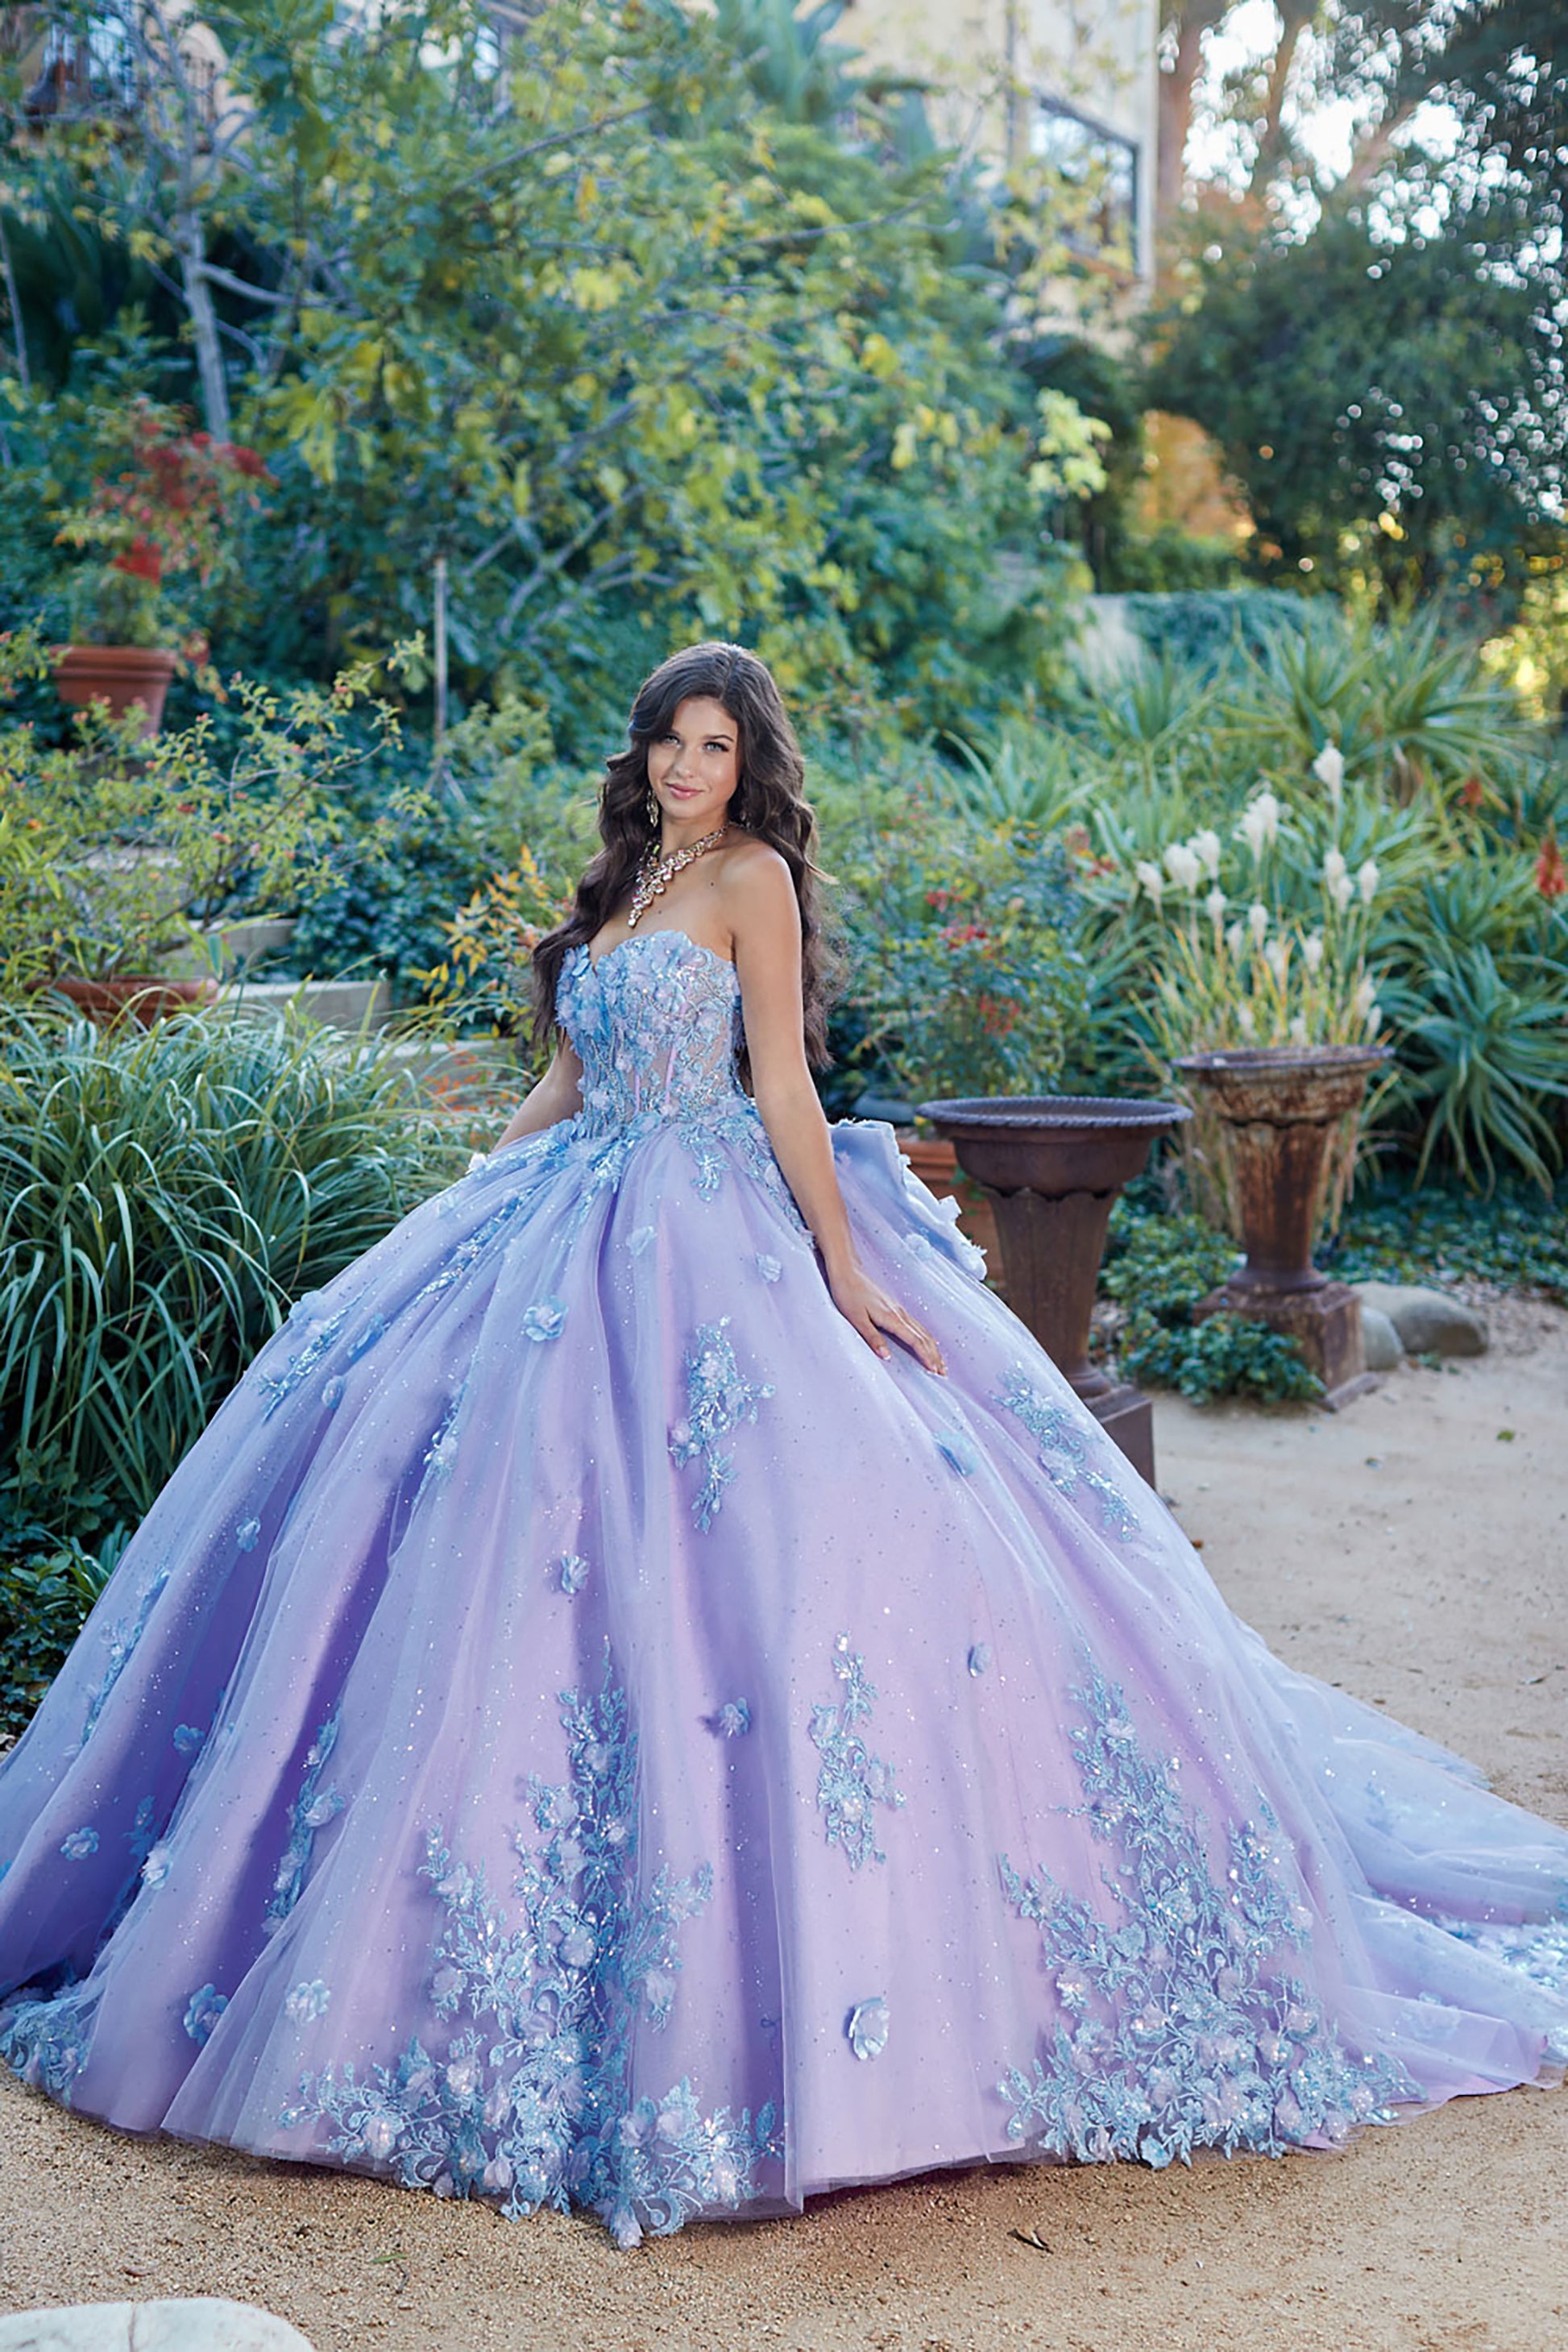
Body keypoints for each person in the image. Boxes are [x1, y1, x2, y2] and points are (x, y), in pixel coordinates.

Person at [0, 642, 1563, 2253]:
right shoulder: (629, 873)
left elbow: (784, 1085)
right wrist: (466, 1186)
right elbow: (564, 1070)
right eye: (669, 741)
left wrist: (839, 1263)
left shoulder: (748, 877)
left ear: (750, 763)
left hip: (705, 1224)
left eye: (713, 744)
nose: (686, 765)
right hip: (562, 1214)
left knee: (765, 1544)